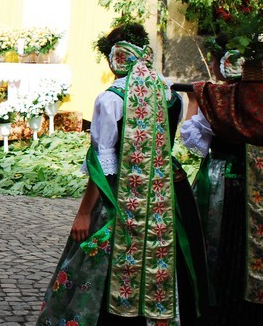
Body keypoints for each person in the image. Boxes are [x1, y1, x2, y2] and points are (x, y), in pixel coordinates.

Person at [37, 24, 208, 326]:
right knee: (168, 255)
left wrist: (84, 213)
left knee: (110, 261)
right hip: (168, 192)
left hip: (123, 195)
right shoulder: (169, 92)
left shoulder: (111, 97)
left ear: (113, 57)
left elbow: (102, 163)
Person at [180, 49, 263, 325]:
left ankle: (217, 302)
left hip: (220, 181)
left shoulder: (216, 98)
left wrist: (193, 99)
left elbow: (193, 143)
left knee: (216, 240)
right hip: (256, 183)